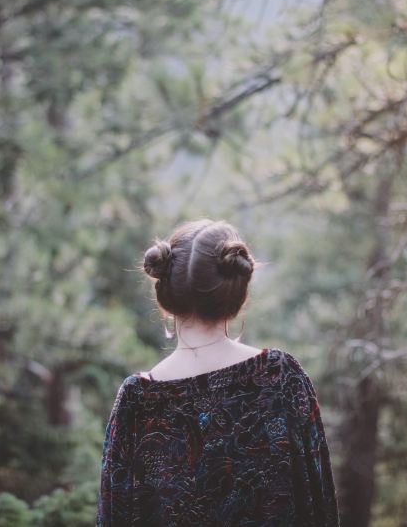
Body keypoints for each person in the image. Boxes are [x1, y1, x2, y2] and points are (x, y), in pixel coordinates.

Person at [96, 218, 340, 526]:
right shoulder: (280, 378)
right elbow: (319, 504)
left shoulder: (137, 400)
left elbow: (114, 516)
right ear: (236, 295)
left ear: (166, 295)